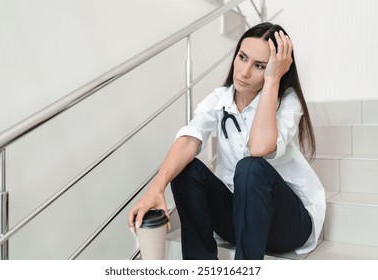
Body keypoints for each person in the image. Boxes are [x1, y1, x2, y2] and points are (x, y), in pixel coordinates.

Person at [128, 22, 326, 260]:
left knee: (251, 166)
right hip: (240, 219)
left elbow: (259, 148)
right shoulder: (220, 98)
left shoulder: (287, 101)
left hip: (287, 225)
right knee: (185, 169)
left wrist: (273, 81)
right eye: (242, 57)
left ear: (276, 68)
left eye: (260, 66)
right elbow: (190, 138)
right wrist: (156, 188)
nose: (244, 72)